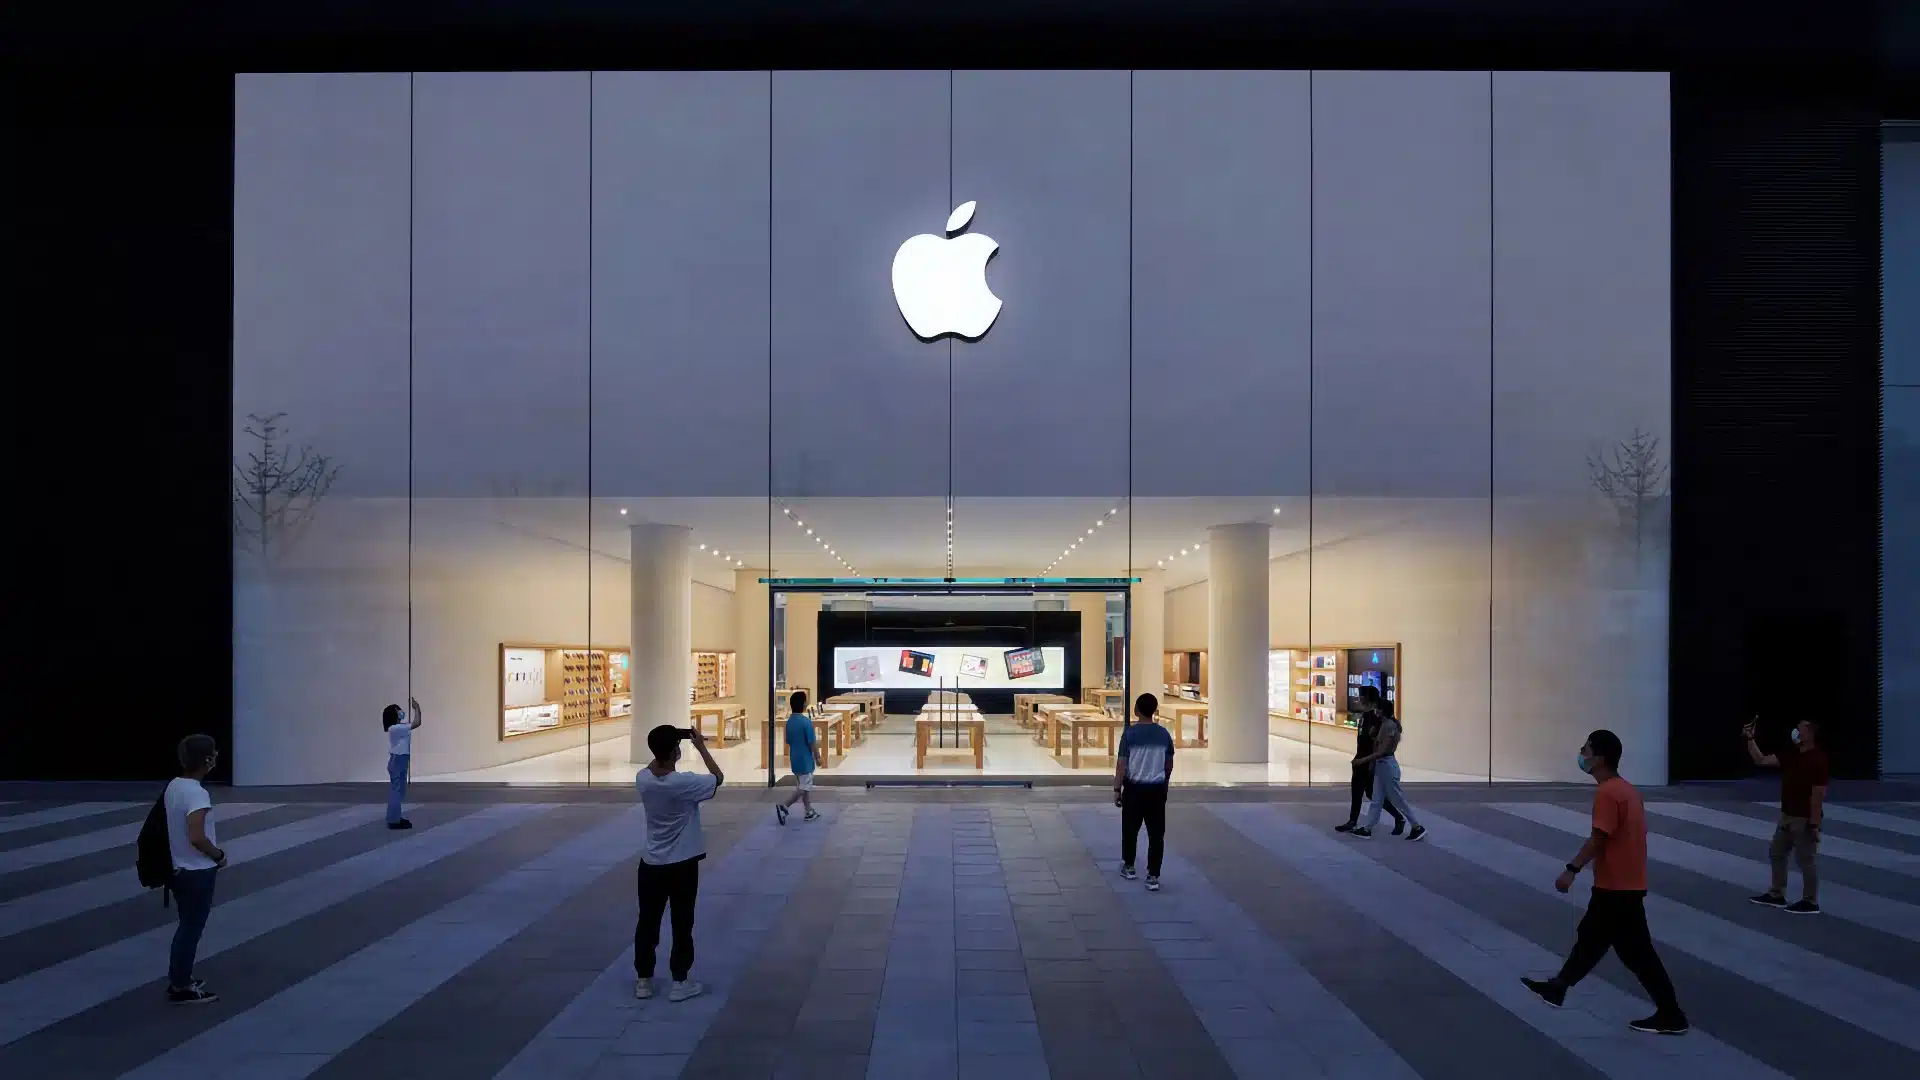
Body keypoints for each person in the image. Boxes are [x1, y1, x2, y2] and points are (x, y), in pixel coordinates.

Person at [1523, 729, 1689, 1036]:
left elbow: (1599, 837)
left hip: (1616, 886)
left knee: (1599, 939)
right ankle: (1560, 987)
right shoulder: (1626, 790)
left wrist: (1571, 869)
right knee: (1621, 947)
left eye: (1585, 751)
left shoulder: (1609, 793)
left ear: (1600, 758)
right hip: (1627, 883)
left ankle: (1670, 1014)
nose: (1581, 756)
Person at [634, 722, 723, 1002]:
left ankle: (644, 980)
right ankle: (680, 981)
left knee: (648, 922)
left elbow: (655, 763)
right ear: (676, 751)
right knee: (682, 923)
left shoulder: (643, 779)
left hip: (651, 864)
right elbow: (717, 778)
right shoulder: (685, 783)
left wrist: (665, 749)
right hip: (682, 864)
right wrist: (700, 745)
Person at [164, 734, 227, 1004]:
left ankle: (180, 978)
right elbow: (197, 836)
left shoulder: (175, 786)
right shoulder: (197, 794)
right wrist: (218, 855)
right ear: (207, 759)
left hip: (178, 868)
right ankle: (181, 985)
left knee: (186, 926)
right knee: (191, 930)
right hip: (197, 872)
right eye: (213, 753)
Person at [1743, 717, 1828, 915]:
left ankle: (1810, 901)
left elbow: (1818, 795)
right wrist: (1750, 739)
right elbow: (1761, 760)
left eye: (1800, 728)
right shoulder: (1793, 754)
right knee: (1777, 852)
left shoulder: (1817, 759)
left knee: (1806, 859)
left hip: (1804, 818)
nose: (1796, 731)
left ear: (1810, 732)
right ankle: (1776, 894)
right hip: (1787, 815)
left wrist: (1815, 825)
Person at [1346, 687, 1426, 841]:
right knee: (1376, 799)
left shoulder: (1389, 726)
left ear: (1381, 711)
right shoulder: (1384, 725)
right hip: (1381, 766)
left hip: (1387, 766)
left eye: (1377, 710)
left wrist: (1362, 761)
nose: (1374, 712)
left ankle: (1417, 826)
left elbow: (1382, 751)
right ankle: (1367, 828)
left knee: (1397, 799)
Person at [1114, 692, 1175, 892]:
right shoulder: (1164, 734)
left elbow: (1121, 765)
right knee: (1156, 834)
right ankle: (1153, 876)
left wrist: (1117, 788)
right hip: (1156, 790)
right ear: (1155, 710)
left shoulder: (1129, 734)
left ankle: (1129, 867)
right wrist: (1164, 783)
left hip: (1134, 789)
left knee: (1130, 829)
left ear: (1136, 710)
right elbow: (1168, 765)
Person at [1336, 687, 1407, 835]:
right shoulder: (1365, 715)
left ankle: (1398, 817)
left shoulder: (1377, 717)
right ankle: (1353, 821)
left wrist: (1370, 761)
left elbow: (1387, 734)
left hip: (1368, 760)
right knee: (1361, 791)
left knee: (1369, 793)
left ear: (1368, 698)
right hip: (1360, 757)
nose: (1359, 699)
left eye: (1361, 696)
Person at [775, 690, 821, 825]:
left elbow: (788, 741)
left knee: (804, 786)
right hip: (805, 761)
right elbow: (812, 742)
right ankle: (784, 805)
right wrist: (817, 758)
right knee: (803, 787)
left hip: (794, 759)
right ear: (804, 704)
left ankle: (809, 811)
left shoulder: (789, 722)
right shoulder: (806, 722)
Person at [382, 697, 423, 829]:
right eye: (398, 710)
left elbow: (412, 724)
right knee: (396, 791)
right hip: (398, 759)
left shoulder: (399, 727)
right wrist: (417, 708)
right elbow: (417, 723)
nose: (401, 711)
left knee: (399, 791)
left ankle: (395, 816)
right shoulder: (395, 728)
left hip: (400, 759)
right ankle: (394, 820)